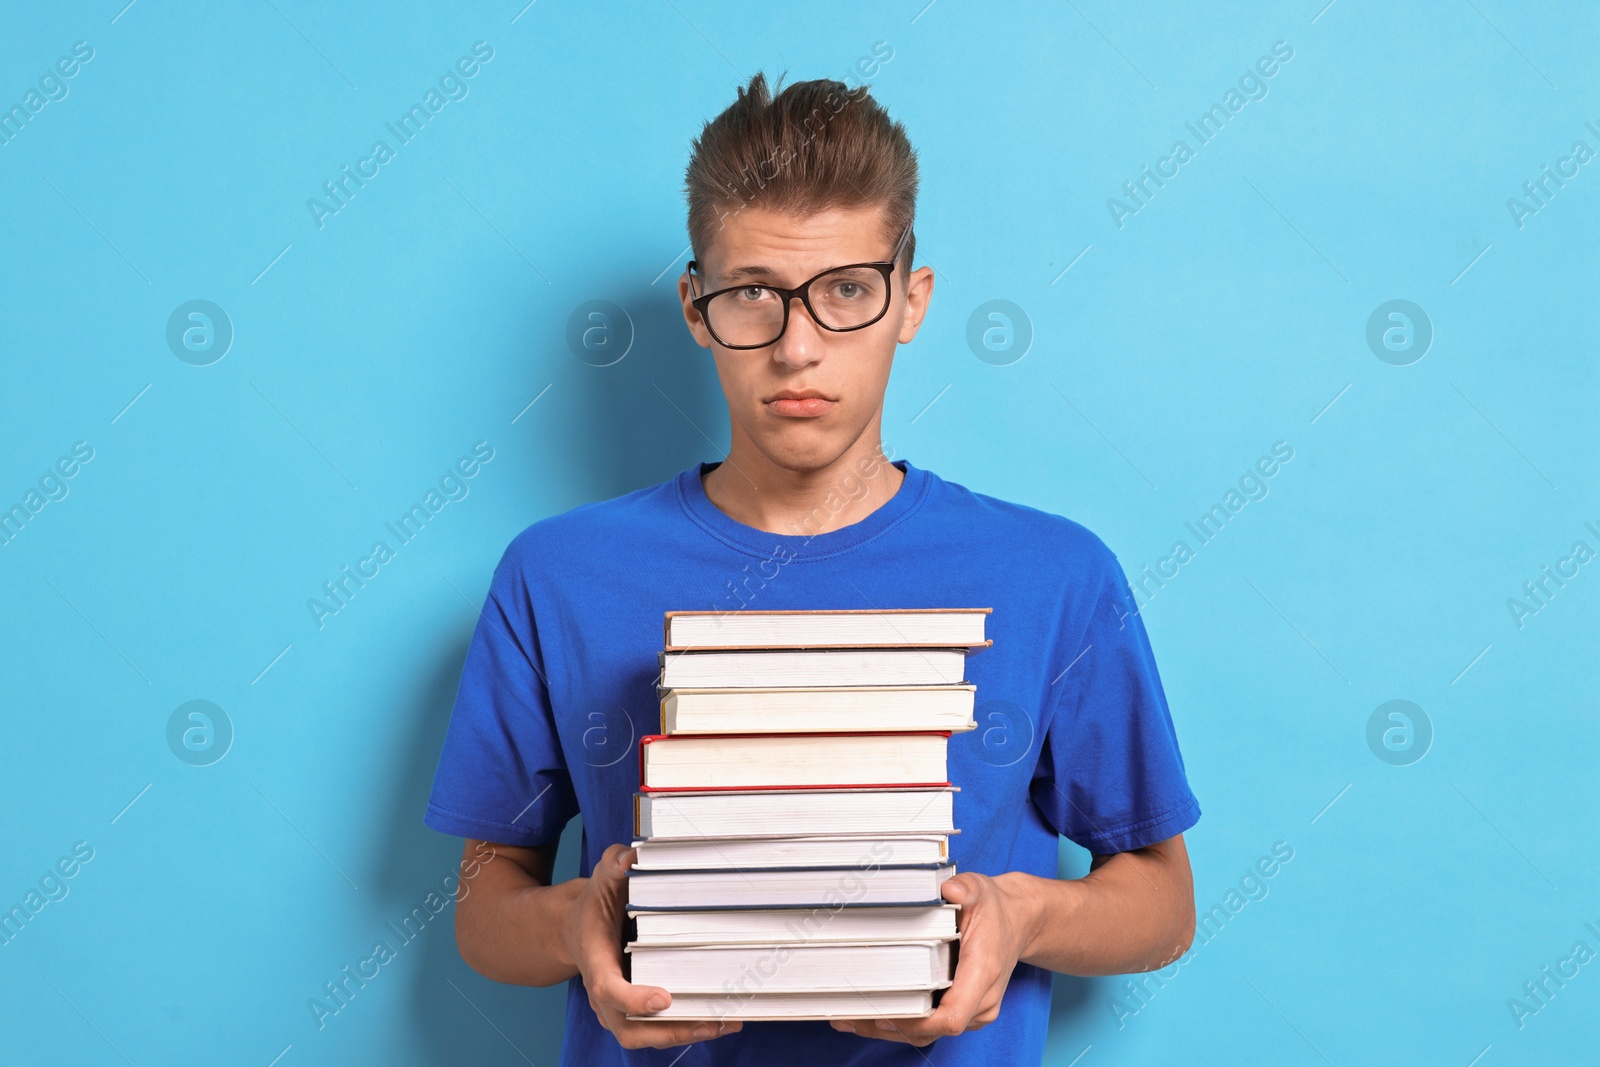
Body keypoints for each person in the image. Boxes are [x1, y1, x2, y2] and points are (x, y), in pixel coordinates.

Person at [425, 72, 1200, 1065]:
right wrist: (579, 919)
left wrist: (1021, 915)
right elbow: (485, 897)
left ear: (909, 300)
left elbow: (1164, 901)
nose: (797, 347)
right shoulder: (557, 573)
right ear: (697, 309)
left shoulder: (1054, 574)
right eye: (753, 295)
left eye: (844, 291)